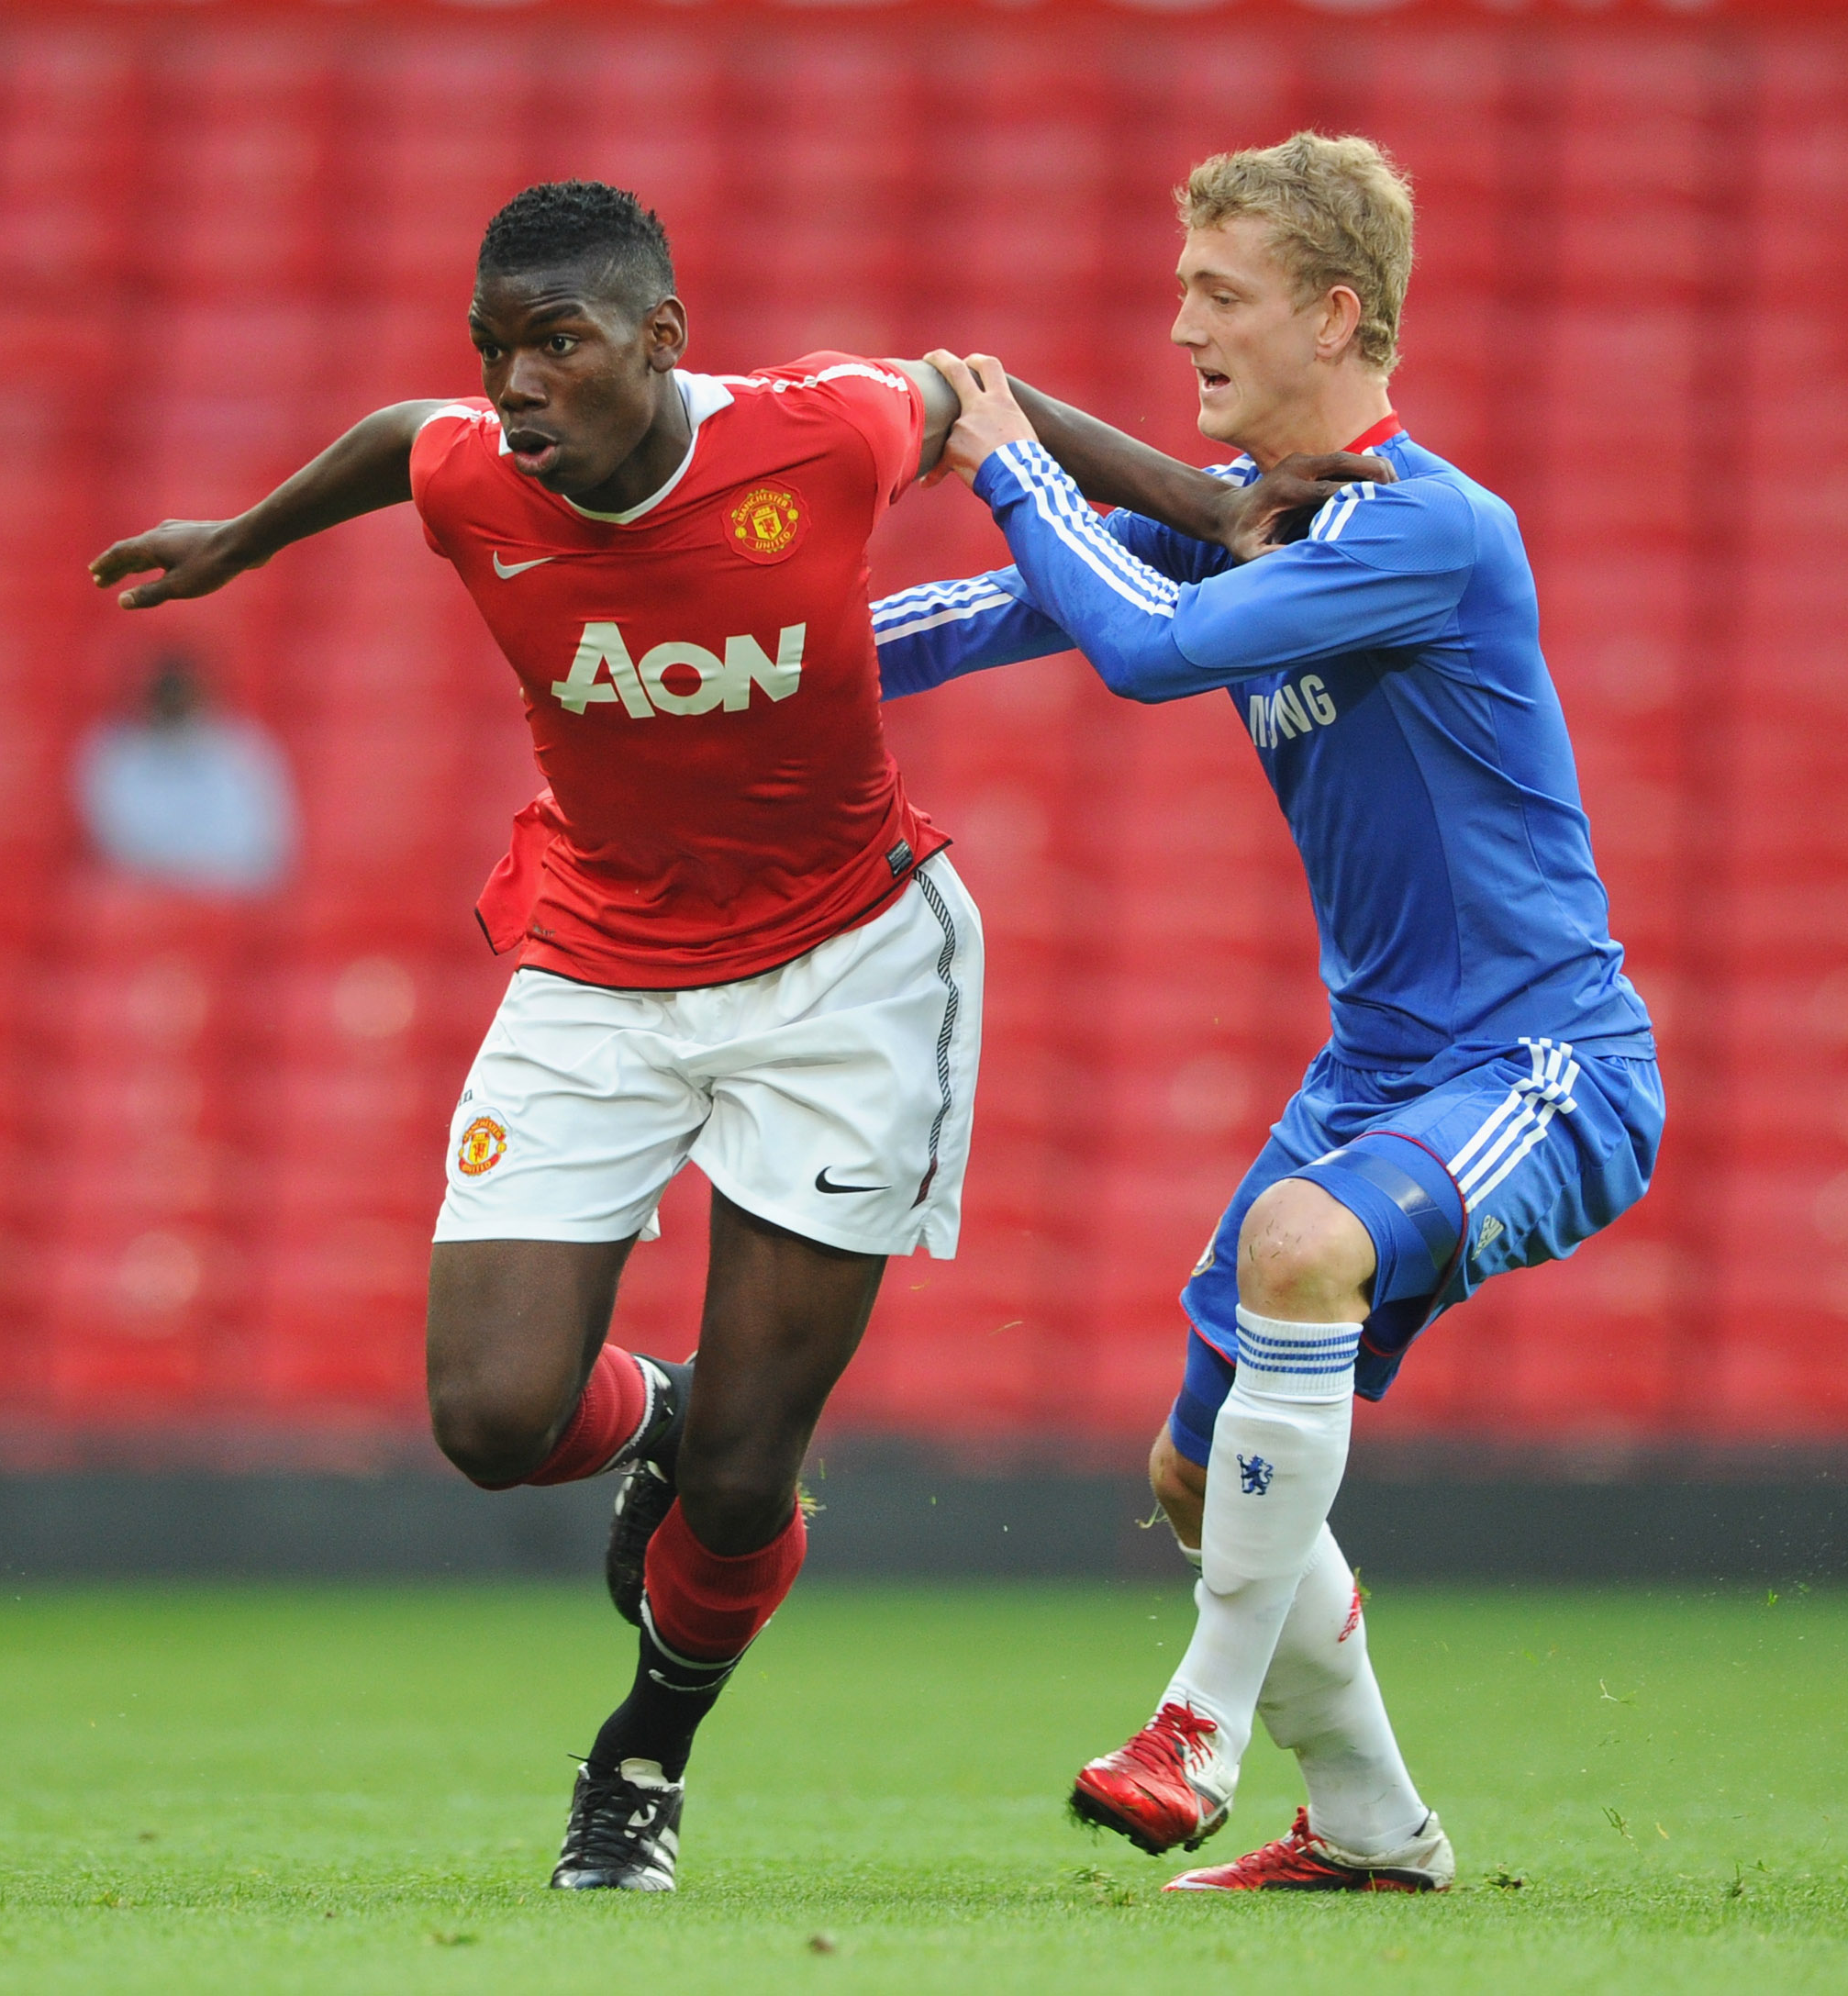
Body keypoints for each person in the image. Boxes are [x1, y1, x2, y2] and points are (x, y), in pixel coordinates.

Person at [92, 180, 1349, 1890]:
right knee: (490, 1420)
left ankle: (638, 1766)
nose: (517, 386)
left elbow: (982, 392)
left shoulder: (816, 433)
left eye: (558, 345)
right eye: (497, 351)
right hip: (598, 967)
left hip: (843, 981)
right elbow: (399, 439)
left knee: (748, 1489)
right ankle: (659, 1413)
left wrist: (1208, 501)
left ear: (659, 342)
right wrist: (237, 541)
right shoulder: (474, 470)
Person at [874, 133, 1661, 1893]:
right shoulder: (1248, 519)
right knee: (1189, 1466)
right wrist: (743, 668)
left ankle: (1197, 1725)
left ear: (1334, 311)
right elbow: (986, 618)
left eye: (1218, 297)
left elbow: (1145, 643)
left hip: (1542, 1059)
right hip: (1379, 1066)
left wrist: (1008, 457)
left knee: (1300, 1249)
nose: (1182, 332)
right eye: (1176, 295)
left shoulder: (1433, 529)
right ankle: (1374, 1826)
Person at [75, 653, 295, 892]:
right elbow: (115, 841)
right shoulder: (114, 752)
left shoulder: (243, 750)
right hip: (143, 901)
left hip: (225, 899)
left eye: (182, 692)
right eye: (166, 692)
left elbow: (264, 849)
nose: (174, 701)